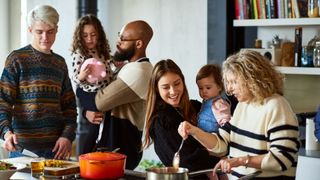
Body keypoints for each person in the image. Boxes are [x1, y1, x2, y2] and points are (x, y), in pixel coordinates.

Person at [178, 50, 299, 179]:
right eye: (228, 83)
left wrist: (241, 161)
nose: (229, 90)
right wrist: (193, 131)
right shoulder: (243, 105)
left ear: (252, 78)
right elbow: (221, 144)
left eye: (233, 82)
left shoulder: (276, 106)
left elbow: (283, 159)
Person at [0, 5, 77, 159]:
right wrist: (6, 133)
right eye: (39, 32)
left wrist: (67, 136)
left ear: (56, 30)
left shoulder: (60, 63)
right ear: (30, 30)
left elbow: (69, 107)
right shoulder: (17, 59)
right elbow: (3, 102)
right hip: (22, 149)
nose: (45, 38)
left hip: (56, 150)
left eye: (50, 32)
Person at [81, 20, 153, 170]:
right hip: (108, 148)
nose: (118, 42)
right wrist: (86, 112)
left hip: (118, 151)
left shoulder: (139, 71)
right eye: (119, 36)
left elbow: (99, 102)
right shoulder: (129, 67)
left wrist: (79, 86)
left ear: (139, 44)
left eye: (123, 39)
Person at [142, 59, 220, 179]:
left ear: (183, 82)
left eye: (177, 83)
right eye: (165, 87)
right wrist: (219, 154)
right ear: (157, 89)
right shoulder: (161, 121)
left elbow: (226, 137)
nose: (173, 91)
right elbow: (186, 161)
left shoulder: (197, 107)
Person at [70, 14, 113, 154]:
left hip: (103, 91)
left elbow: (108, 71)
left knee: (105, 124)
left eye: (93, 35)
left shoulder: (103, 52)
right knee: (94, 125)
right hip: (88, 92)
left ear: (99, 35)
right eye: (85, 35)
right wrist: (81, 76)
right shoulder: (79, 54)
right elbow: (75, 78)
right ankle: (84, 157)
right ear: (80, 37)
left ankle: (100, 153)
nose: (89, 39)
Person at [196, 64, 231, 133]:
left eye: (208, 88)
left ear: (219, 87)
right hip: (203, 138)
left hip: (214, 140)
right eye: (200, 88)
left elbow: (226, 124)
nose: (204, 91)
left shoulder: (219, 103)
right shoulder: (206, 102)